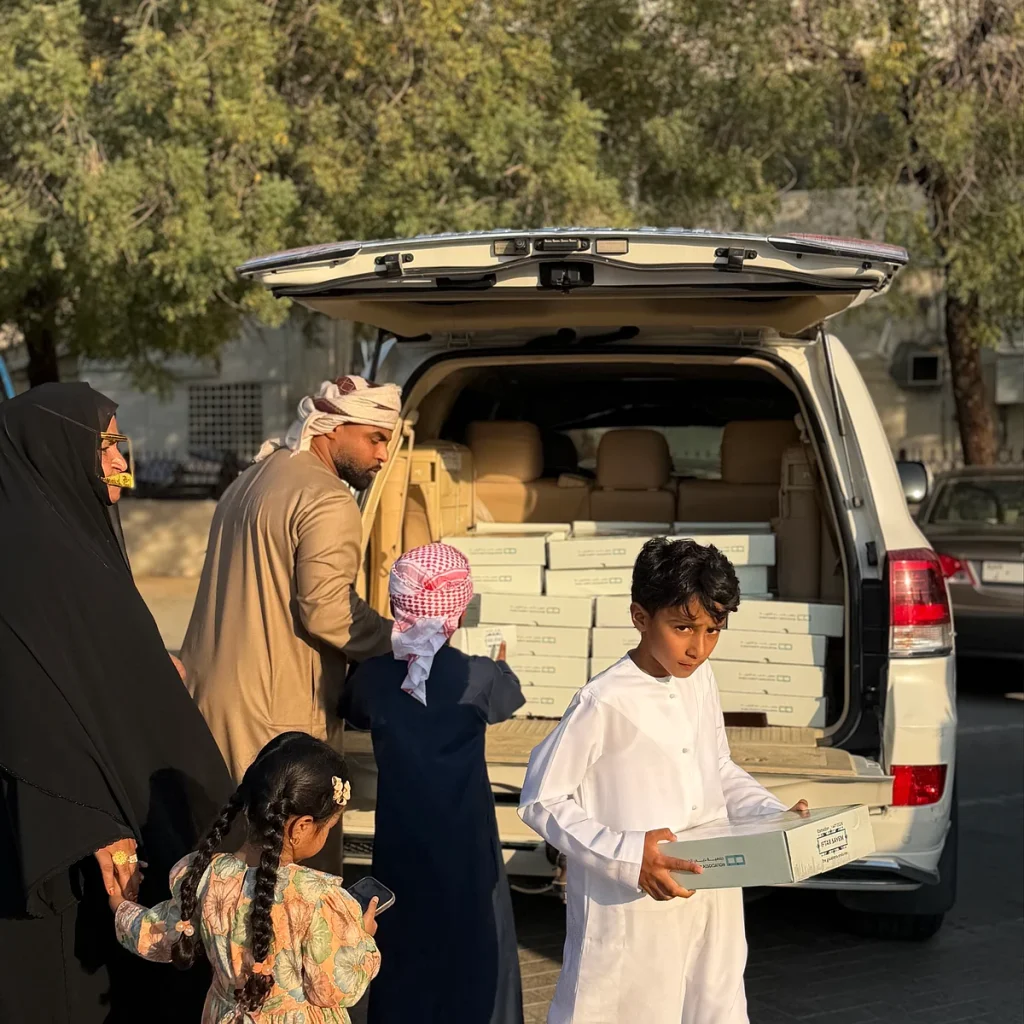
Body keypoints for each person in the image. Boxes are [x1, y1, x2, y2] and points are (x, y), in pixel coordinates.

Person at [0, 383, 233, 1024]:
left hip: (122, 827)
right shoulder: (26, 564)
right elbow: (27, 710)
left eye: (115, 444)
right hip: (75, 841)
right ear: (54, 452)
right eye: (102, 445)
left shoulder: (72, 542)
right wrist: (95, 820)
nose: (117, 462)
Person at [519, 538, 809, 1024]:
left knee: (711, 1006)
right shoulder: (604, 700)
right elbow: (542, 799)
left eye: (713, 630)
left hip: (711, 891)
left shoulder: (700, 679)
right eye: (682, 628)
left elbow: (717, 765)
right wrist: (629, 855)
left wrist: (770, 816)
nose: (699, 648)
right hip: (633, 905)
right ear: (640, 617)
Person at [182, 375, 401, 785]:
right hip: (274, 716)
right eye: (375, 439)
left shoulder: (252, 478)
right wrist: (398, 640)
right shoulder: (327, 498)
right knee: (290, 825)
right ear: (333, 428)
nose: (383, 455)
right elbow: (328, 611)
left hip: (210, 697)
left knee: (223, 824)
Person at [343, 543, 526, 1024]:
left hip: (401, 840)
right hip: (466, 840)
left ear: (395, 606)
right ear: (459, 612)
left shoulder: (373, 678)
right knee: (474, 937)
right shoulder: (480, 676)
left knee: (404, 940)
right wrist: (502, 662)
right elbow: (510, 697)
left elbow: (354, 709)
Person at [109, 731, 381, 1024]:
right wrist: (361, 937)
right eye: (327, 827)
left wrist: (121, 905)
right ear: (301, 827)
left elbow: (159, 937)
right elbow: (338, 989)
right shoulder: (317, 898)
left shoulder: (205, 876)